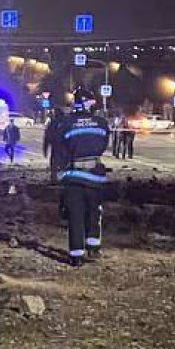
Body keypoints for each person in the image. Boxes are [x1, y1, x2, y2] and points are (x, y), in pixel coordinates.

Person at [51, 100, 112, 266]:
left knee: (75, 215)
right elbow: (105, 143)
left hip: (74, 175)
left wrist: (58, 172)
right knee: (95, 212)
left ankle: (76, 255)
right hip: (95, 175)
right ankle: (93, 247)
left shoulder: (66, 124)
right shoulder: (101, 123)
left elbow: (59, 150)